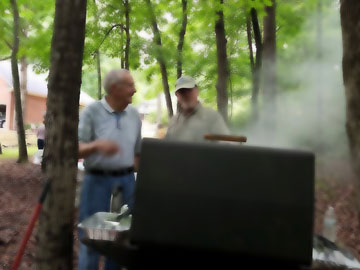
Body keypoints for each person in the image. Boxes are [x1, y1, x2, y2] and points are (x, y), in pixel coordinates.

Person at [77, 69, 142, 270]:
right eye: (130, 85)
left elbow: (137, 154)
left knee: (119, 242)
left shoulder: (134, 115)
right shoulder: (91, 112)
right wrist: (96, 146)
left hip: (127, 182)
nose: (135, 89)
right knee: (93, 239)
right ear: (115, 88)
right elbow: (76, 149)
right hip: (97, 183)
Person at [165, 75, 230, 142]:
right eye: (182, 92)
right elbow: (166, 147)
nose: (186, 94)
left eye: (189, 90)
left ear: (197, 91)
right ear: (177, 95)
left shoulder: (212, 117)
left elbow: (227, 146)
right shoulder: (173, 121)